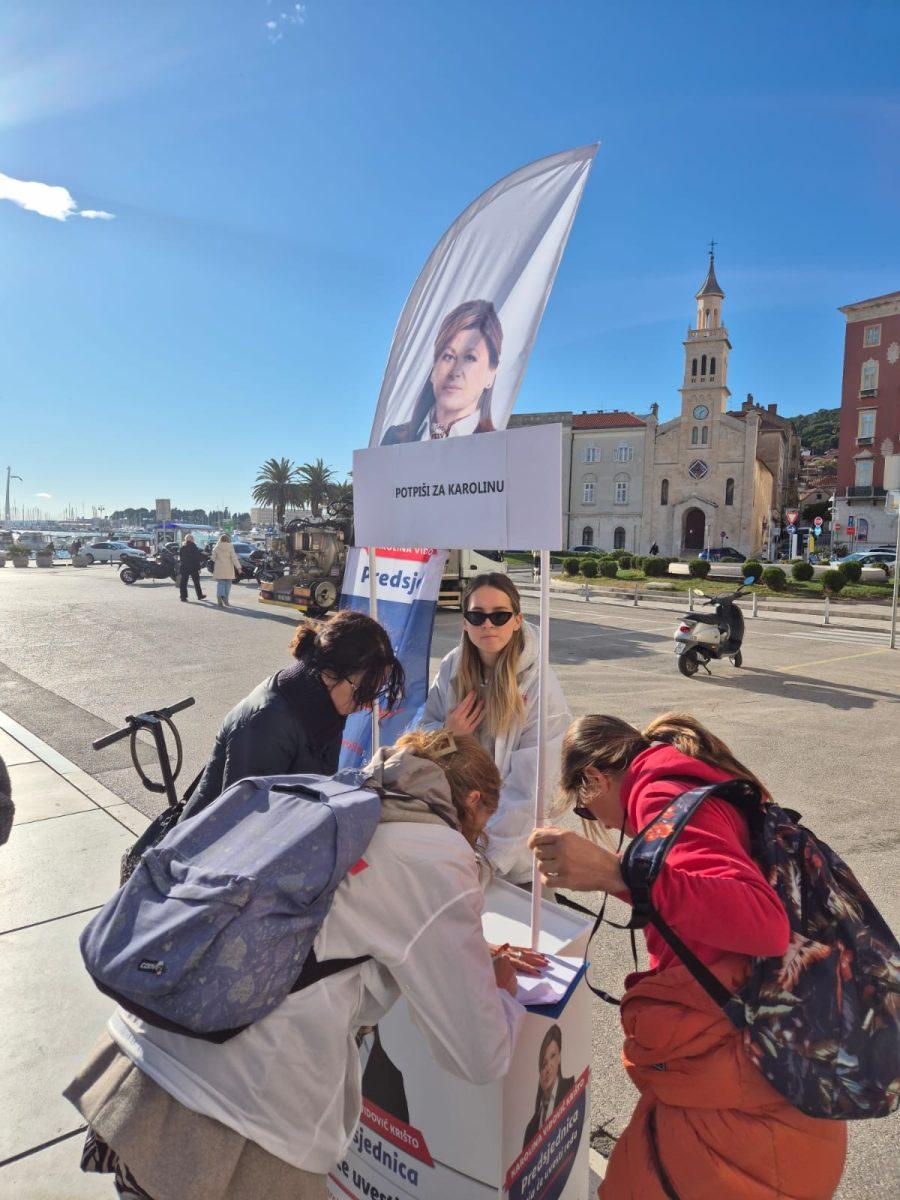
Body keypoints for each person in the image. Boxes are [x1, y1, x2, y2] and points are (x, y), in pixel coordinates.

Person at [65, 730, 530, 1200]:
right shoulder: (436, 852)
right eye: (483, 826)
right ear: (472, 801)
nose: (478, 842)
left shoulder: (344, 797)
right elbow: (477, 1053)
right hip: (235, 1115)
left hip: (143, 1054)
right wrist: (503, 994)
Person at [529, 713, 847, 1200]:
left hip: (734, 1077)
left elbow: (762, 924)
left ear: (595, 778)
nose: (601, 824)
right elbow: (696, 899)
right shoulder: (680, 773)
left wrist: (617, 874)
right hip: (757, 1063)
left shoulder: (659, 796)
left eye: (587, 811)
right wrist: (628, 881)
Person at [182, 610, 405, 819]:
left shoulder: (322, 702)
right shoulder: (268, 722)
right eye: (363, 691)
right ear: (329, 671)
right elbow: (241, 819)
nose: (368, 704)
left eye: (375, 693)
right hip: (206, 847)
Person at [421, 573, 570, 885]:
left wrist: (486, 859)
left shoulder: (539, 684)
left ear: (517, 620)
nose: (487, 625)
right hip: (451, 833)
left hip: (512, 853)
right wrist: (449, 736)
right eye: (477, 616)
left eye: (499, 616)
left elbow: (534, 787)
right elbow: (421, 734)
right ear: (465, 623)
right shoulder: (453, 666)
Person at [381, 300, 503, 444]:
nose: (455, 371)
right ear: (434, 367)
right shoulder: (395, 438)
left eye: (470, 358)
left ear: (491, 374)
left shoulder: (497, 447)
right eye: (448, 356)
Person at [521, 1024, 574, 1150]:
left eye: (553, 1056)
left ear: (560, 1057)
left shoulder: (571, 1088)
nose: (548, 1067)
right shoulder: (531, 1127)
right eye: (544, 1063)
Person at [211, 533, 242, 608]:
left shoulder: (216, 547)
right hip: (228, 569)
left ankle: (220, 595)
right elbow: (234, 558)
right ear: (228, 539)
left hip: (219, 568)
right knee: (228, 585)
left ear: (220, 539)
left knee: (220, 584)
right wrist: (238, 568)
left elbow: (213, 558)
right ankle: (226, 599)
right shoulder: (230, 546)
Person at [178, 533, 206, 602]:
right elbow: (197, 559)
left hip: (184, 567)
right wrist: (199, 568)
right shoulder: (194, 547)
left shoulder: (182, 548)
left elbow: (181, 559)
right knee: (196, 582)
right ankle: (199, 595)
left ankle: (183, 597)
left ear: (185, 539)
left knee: (183, 583)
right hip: (193, 567)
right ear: (192, 539)